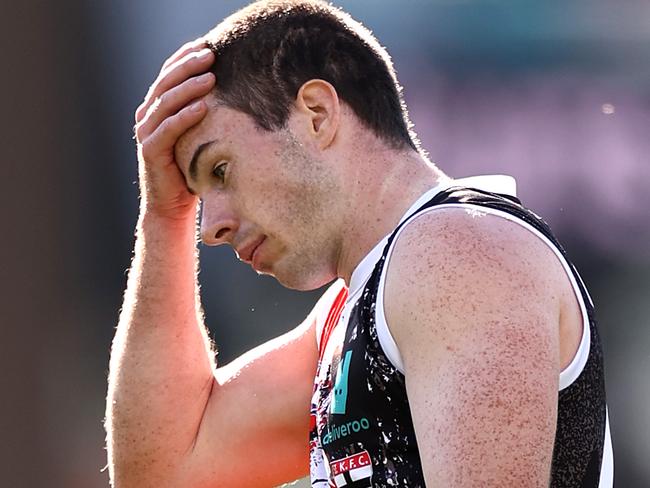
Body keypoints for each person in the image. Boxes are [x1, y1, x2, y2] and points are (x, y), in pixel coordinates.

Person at [105, 1, 613, 486]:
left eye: (220, 169)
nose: (210, 227)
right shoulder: (352, 309)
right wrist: (163, 216)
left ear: (317, 114)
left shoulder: (453, 254)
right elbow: (165, 470)